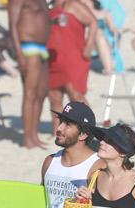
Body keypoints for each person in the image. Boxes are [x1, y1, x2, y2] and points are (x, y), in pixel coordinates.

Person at [46, 0, 98, 135]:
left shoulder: (72, 4)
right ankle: (57, 132)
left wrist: (89, 45)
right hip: (53, 58)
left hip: (73, 56)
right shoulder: (49, 6)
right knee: (54, 97)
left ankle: (90, 130)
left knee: (76, 95)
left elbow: (93, 22)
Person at [8, 0, 52, 149]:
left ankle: (34, 136)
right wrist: (19, 55)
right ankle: (28, 139)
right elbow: (12, 24)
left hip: (41, 46)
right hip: (27, 46)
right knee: (30, 92)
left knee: (41, 92)